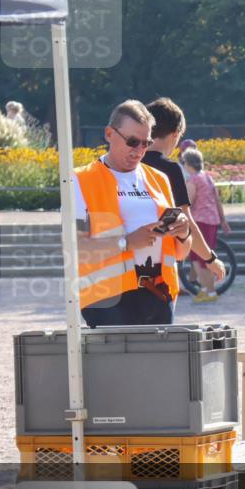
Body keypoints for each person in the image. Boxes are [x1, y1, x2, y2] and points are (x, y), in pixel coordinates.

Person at [73, 100, 193, 327]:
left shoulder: (159, 179)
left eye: (146, 143)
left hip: (159, 295)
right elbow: (76, 248)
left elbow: (180, 253)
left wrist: (184, 233)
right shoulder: (80, 181)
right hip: (107, 300)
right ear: (109, 134)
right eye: (132, 141)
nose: (139, 150)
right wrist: (127, 242)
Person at [143, 98, 227, 281]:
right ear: (175, 134)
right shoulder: (171, 169)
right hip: (159, 268)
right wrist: (210, 258)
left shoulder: (128, 163)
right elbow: (186, 220)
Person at [181, 148, 231, 303]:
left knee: (200, 258)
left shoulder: (193, 180)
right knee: (204, 256)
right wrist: (223, 221)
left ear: (187, 163)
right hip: (212, 220)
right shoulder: (208, 178)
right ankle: (205, 289)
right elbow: (217, 201)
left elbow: (187, 201)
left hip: (199, 221)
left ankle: (210, 291)